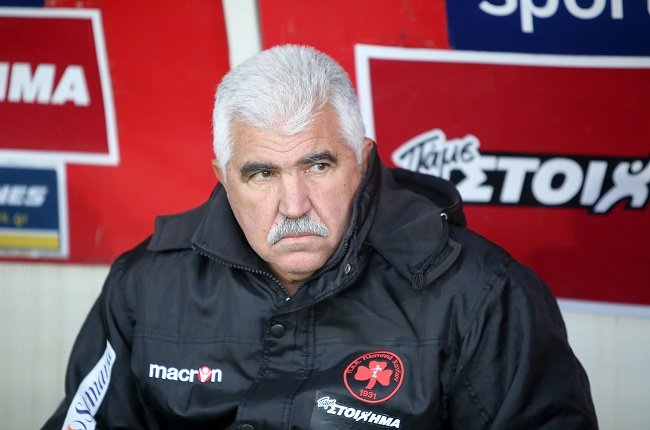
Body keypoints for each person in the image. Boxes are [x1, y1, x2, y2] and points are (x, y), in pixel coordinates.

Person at [44, 44, 598, 429]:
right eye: (262, 174)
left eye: (318, 166)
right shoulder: (146, 285)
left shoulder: (483, 296)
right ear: (223, 178)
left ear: (362, 161)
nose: (294, 205)